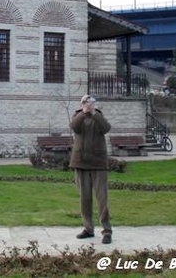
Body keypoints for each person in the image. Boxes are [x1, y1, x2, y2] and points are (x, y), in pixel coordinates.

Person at [69, 95, 112, 244]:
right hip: (81, 162)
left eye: (90, 103)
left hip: (98, 163)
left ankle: (107, 231)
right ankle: (88, 228)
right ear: (81, 104)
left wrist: (93, 113)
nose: (88, 105)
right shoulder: (78, 115)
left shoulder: (98, 115)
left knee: (102, 199)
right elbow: (74, 127)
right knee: (84, 199)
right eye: (85, 103)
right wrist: (83, 112)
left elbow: (106, 128)